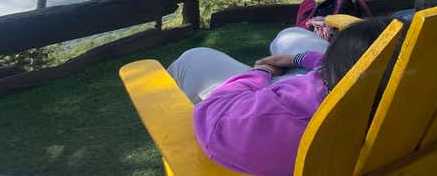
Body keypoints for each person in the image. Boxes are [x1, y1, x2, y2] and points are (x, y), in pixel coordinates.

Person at [167, 17, 397, 176]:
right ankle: (291, 43)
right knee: (290, 35)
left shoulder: (279, 118)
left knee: (193, 58)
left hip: (261, 101)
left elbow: (215, 115)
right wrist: (301, 60)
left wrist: (261, 73)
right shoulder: (407, 98)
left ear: (332, 77)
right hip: (318, 96)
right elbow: (364, 68)